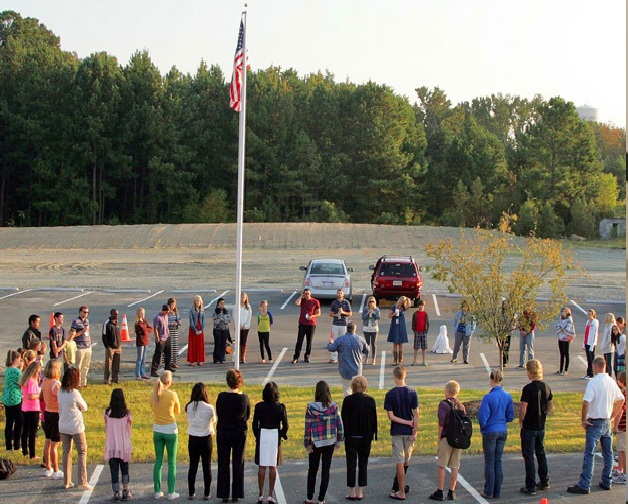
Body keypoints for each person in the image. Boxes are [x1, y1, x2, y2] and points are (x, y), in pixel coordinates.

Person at [567, 356, 624, 494]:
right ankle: (607, 480)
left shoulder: (593, 382)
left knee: (590, 453)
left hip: (595, 421)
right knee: (608, 453)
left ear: (596, 367)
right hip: (606, 421)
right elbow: (621, 400)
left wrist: (583, 419)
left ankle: (585, 483)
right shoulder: (611, 381)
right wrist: (612, 416)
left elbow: (586, 402)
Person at [304, 380, 344, 504]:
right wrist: (339, 441)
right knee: (325, 470)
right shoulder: (334, 406)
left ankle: (310, 497)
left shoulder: (311, 407)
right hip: (330, 442)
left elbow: (308, 426)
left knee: (312, 470)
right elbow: (340, 424)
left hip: (316, 442)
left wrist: (307, 443)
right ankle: (321, 499)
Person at [478, 369, 514, 499]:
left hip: (490, 431)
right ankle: (497, 491)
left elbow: (482, 417)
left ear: (492, 380)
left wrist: (484, 426)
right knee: (498, 461)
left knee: (489, 462)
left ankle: (489, 490)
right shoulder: (507, 396)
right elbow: (510, 416)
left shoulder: (488, 397)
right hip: (502, 429)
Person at [384, 365, 418, 501]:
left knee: (399, 461)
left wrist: (404, 422)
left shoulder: (390, 394)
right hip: (409, 432)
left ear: (394, 376)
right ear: (405, 376)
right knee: (406, 460)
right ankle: (399, 486)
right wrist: (415, 430)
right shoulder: (412, 392)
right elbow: (416, 414)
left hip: (397, 431)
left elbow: (391, 416)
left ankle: (401, 490)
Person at [216, 368, 250, 503]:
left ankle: (224, 493)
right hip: (239, 432)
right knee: (238, 462)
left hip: (223, 431)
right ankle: (236, 493)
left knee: (223, 462)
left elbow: (219, 412)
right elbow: (247, 416)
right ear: (239, 382)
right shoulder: (244, 398)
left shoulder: (221, 397)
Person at [519, 359, 553, 495]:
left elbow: (523, 409)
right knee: (540, 452)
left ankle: (530, 485)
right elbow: (550, 405)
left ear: (529, 372)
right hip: (540, 425)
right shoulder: (546, 387)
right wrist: (544, 413)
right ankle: (544, 480)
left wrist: (521, 420)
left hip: (529, 427)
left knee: (528, 456)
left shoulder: (528, 389)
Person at [341, 376, 377, 501]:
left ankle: (351, 490)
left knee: (351, 463)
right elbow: (374, 420)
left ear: (353, 386)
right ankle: (360, 491)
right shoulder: (370, 400)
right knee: (363, 463)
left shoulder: (348, 400)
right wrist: (373, 434)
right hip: (366, 436)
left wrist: (343, 434)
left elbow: (344, 419)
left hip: (351, 435)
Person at [428, 380, 465, 501]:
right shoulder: (461, 406)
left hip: (447, 437)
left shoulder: (444, 404)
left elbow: (441, 423)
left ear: (448, 391)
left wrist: (439, 438)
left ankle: (440, 491)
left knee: (442, 465)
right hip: (458, 439)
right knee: (455, 466)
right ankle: (452, 491)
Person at [252, 381, 289, 503]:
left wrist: (258, 435)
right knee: (273, 466)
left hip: (263, 434)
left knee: (262, 465)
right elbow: (286, 425)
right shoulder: (280, 407)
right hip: (274, 435)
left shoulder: (259, 406)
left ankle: (260, 494)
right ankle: (270, 495)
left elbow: (254, 424)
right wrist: (282, 434)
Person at [58, 367, 92, 490]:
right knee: (82, 451)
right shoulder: (74, 393)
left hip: (63, 425)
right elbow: (84, 407)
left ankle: (67, 481)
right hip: (76, 426)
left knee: (66, 452)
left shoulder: (60, 391)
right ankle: (82, 481)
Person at [149, 370, 181, 500]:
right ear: (169, 382)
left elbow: (153, 408)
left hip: (157, 429)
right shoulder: (172, 395)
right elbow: (177, 411)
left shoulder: (153, 395)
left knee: (158, 461)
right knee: (172, 462)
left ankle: (157, 490)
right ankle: (171, 491)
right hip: (170, 430)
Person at [186, 382, 216, 501]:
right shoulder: (209, 407)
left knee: (192, 466)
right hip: (206, 438)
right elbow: (214, 420)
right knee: (206, 466)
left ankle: (191, 492)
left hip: (193, 438)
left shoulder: (189, 406)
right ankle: (207, 492)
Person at [105, 388, 133, 502]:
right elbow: (129, 427)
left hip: (112, 445)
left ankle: (116, 492)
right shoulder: (126, 413)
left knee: (114, 470)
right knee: (125, 468)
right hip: (123, 445)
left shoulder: (108, 413)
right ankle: (125, 490)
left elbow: (106, 426)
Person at [326, 322, 369, 396]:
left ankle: (348, 405)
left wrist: (330, 342)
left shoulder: (340, 340)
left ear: (346, 329)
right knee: (358, 390)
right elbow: (367, 350)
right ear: (354, 329)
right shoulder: (361, 340)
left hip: (345, 370)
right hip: (357, 370)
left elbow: (331, 348)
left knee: (347, 389)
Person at [42, 359, 63, 480]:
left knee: (48, 441)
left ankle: (48, 467)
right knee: (55, 444)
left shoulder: (45, 381)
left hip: (47, 412)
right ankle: (56, 470)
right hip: (56, 414)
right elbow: (61, 398)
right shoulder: (56, 384)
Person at [20, 360, 42, 461]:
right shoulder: (32, 381)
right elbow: (31, 396)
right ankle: (32, 454)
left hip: (25, 407)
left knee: (25, 431)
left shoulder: (25, 380)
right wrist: (40, 395)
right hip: (33, 409)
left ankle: (25, 451)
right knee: (32, 433)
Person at [292, 288, 321, 364]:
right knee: (299, 341)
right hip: (302, 323)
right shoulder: (303, 300)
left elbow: (319, 313)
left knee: (309, 341)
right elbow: (296, 303)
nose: (306, 295)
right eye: (305, 294)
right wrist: (300, 297)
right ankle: (296, 357)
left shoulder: (315, 301)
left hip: (311, 324)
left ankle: (307, 356)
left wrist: (313, 316)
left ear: (310, 294)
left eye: (308, 294)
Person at [2, 350, 23, 454]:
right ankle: (17, 445)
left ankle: (8, 446)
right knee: (19, 421)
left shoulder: (7, 370)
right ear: (16, 359)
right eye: (19, 359)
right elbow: (21, 384)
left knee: (9, 422)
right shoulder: (17, 371)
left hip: (7, 397)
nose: (20, 361)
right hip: (15, 397)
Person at [328, 289, 352, 364]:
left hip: (343, 324)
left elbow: (350, 313)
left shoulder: (346, 302)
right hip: (335, 324)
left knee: (343, 341)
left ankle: (343, 357)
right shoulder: (334, 303)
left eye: (341, 293)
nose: (339, 294)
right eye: (338, 293)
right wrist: (336, 315)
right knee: (335, 340)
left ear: (343, 294)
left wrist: (342, 312)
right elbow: (330, 313)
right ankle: (333, 358)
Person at [72, 306, 92, 388]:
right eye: (84, 312)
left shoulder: (87, 321)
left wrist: (90, 343)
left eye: (87, 312)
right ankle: (78, 383)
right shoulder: (76, 322)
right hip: (80, 347)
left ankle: (84, 382)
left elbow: (88, 333)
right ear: (80, 312)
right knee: (78, 366)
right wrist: (81, 332)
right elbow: (73, 334)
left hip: (87, 347)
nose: (86, 314)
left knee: (86, 366)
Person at [451, 300, 476, 365]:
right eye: (463, 306)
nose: (464, 308)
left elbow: (473, 323)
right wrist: (455, 329)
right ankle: (454, 357)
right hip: (459, 331)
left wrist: (471, 331)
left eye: (466, 306)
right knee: (457, 345)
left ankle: (465, 359)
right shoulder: (458, 313)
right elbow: (455, 321)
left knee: (466, 347)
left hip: (467, 332)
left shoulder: (471, 315)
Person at [612, 370, 626, 485]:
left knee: (624, 450)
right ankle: (620, 469)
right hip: (624, 426)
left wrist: (615, 426)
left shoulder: (623, 395)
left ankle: (625, 473)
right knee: (621, 450)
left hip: (623, 426)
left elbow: (620, 410)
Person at [388, 296, 411, 366]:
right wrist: (394, 314)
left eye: (402, 301)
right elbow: (389, 316)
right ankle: (395, 360)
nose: (401, 302)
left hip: (401, 326)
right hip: (395, 326)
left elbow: (409, 305)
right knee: (395, 344)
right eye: (400, 300)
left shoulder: (403, 308)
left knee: (400, 344)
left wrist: (407, 298)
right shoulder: (393, 307)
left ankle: (400, 359)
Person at [151, 305, 172, 377]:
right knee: (158, 355)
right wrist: (157, 338)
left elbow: (166, 325)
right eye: (166, 312)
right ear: (163, 310)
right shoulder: (157, 317)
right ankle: (154, 370)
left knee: (168, 354)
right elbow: (155, 329)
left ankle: (167, 368)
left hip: (167, 337)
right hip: (161, 338)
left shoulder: (166, 316)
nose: (167, 313)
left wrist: (168, 333)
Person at [103, 309, 122, 385]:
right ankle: (107, 380)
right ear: (111, 314)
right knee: (108, 364)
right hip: (110, 347)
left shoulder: (117, 323)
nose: (117, 316)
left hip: (118, 347)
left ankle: (115, 378)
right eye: (115, 314)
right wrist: (108, 347)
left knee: (116, 364)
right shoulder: (107, 323)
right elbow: (104, 336)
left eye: (117, 314)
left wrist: (119, 345)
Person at [555, 307, 576, 376]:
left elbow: (568, 327)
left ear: (567, 313)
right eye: (563, 311)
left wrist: (563, 330)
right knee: (561, 353)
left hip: (566, 338)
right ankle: (561, 369)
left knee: (566, 353)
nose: (563, 312)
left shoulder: (569, 319)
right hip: (560, 338)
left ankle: (566, 369)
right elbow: (558, 326)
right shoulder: (561, 319)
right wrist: (560, 329)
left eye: (565, 311)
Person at [134, 307, 153, 380]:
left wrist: (146, 329)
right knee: (139, 359)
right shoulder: (138, 322)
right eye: (141, 313)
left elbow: (150, 329)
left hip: (146, 341)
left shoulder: (144, 321)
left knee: (144, 358)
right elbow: (142, 329)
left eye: (143, 313)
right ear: (138, 314)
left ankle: (143, 372)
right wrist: (146, 329)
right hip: (140, 342)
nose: (143, 314)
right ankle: (137, 374)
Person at [212, 298, 232, 365]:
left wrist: (221, 320)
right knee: (217, 344)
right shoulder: (215, 312)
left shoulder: (226, 311)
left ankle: (222, 358)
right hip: (217, 330)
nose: (222, 305)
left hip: (225, 330)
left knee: (223, 344)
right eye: (221, 303)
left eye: (223, 303)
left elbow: (228, 320)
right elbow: (215, 321)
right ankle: (216, 358)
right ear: (218, 304)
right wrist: (222, 320)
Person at [361, 296, 380, 365]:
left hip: (374, 328)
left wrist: (373, 313)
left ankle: (373, 358)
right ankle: (366, 358)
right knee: (367, 344)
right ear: (368, 303)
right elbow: (363, 317)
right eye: (370, 302)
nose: (371, 303)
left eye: (373, 301)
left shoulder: (377, 309)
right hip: (366, 328)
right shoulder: (365, 309)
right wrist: (368, 313)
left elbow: (378, 317)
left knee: (373, 344)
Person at [187, 296, 206, 366]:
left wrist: (201, 330)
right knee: (193, 345)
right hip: (193, 329)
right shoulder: (192, 310)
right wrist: (195, 330)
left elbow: (204, 321)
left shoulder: (202, 310)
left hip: (200, 329)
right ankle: (192, 360)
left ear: (201, 302)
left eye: (199, 301)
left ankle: (200, 360)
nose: (198, 302)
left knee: (200, 345)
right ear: (194, 302)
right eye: (196, 301)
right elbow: (191, 321)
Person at [411, 299, 430, 366]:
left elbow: (427, 323)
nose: (421, 306)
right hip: (417, 332)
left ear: (424, 306)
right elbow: (413, 323)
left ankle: (424, 361)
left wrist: (426, 331)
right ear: (418, 306)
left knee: (424, 348)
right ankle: (414, 360)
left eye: (422, 305)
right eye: (419, 305)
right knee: (416, 347)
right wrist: (415, 330)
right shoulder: (415, 314)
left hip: (423, 332)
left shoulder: (425, 314)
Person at [582, 309, 599, 380]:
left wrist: (592, 345)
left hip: (591, 343)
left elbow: (595, 334)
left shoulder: (595, 322)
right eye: (588, 314)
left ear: (593, 314)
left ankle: (591, 373)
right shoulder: (587, 322)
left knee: (591, 359)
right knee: (588, 359)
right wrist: (583, 344)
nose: (588, 315)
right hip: (586, 342)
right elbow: (586, 333)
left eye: (590, 314)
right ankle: (588, 373)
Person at [167, 298, 181, 369]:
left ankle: (174, 362)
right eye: (172, 304)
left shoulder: (176, 311)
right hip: (169, 331)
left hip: (175, 331)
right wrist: (171, 323)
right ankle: (168, 362)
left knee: (175, 347)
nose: (173, 306)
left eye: (174, 304)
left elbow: (179, 319)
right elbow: (165, 322)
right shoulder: (167, 312)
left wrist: (178, 322)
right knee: (169, 347)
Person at [239, 293, 253, 364]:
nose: (243, 298)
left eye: (244, 297)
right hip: (238, 326)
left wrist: (245, 325)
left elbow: (249, 317)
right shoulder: (237, 306)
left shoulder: (248, 307)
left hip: (246, 327)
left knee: (243, 342)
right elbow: (234, 315)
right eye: (241, 297)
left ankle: (243, 356)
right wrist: (239, 324)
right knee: (239, 341)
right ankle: (239, 356)